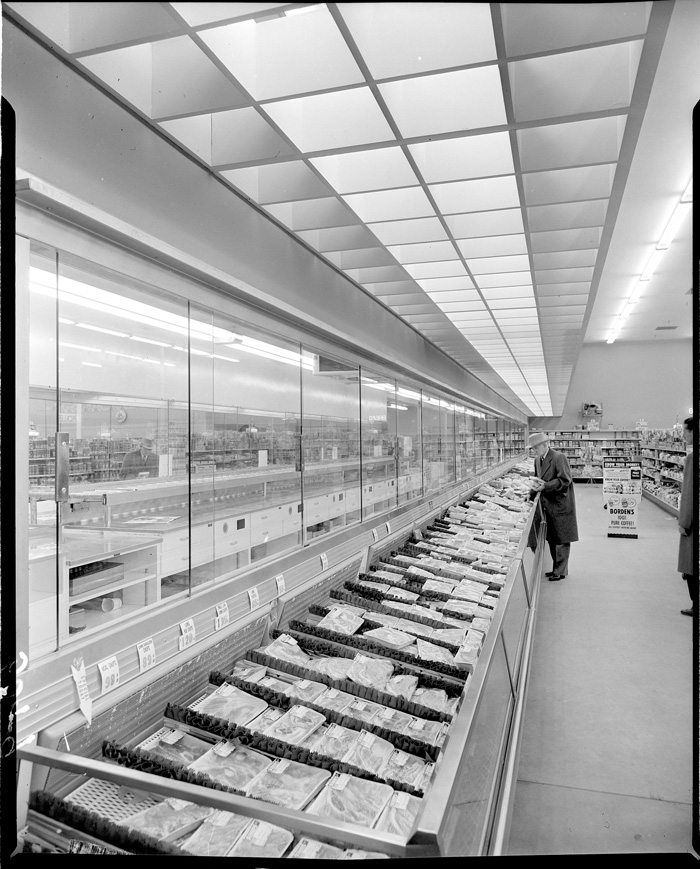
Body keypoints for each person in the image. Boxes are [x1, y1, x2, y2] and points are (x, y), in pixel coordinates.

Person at [528, 431, 579, 581]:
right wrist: (529, 494)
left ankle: (560, 571)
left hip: (560, 503)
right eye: (533, 449)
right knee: (552, 537)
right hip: (547, 504)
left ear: (545, 445)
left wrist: (546, 486)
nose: (534, 451)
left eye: (536, 448)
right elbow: (538, 481)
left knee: (561, 539)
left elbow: (565, 480)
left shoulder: (558, 457)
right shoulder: (537, 460)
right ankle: (555, 568)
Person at [678, 417, 694, 616]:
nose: (683, 435)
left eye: (685, 431)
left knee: (690, 566)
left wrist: (684, 523)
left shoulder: (692, 458)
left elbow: (689, 494)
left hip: (693, 524)